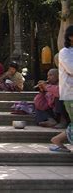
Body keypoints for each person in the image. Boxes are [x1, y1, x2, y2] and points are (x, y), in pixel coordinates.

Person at [50, 25, 73, 153]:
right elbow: (71, 69)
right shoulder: (64, 52)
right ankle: (57, 140)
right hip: (70, 94)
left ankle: (57, 140)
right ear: (70, 37)